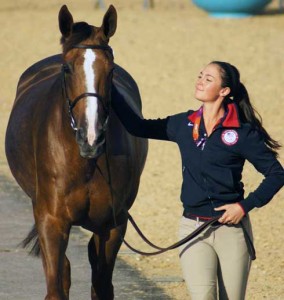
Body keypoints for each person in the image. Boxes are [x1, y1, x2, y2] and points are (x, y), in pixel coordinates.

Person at [111, 61, 284, 300]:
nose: (200, 81)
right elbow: (137, 126)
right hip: (192, 228)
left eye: (209, 79)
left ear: (224, 91)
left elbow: (276, 173)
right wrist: (107, 87)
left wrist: (244, 206)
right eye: (200, 75)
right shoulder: (183, 124)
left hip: (231, 231)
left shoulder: (241, 133)